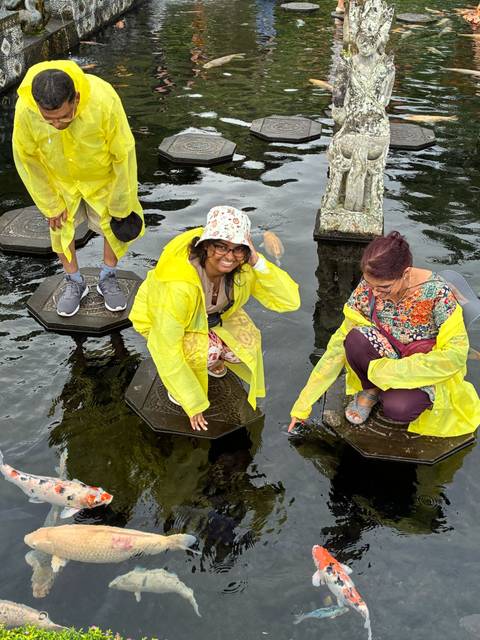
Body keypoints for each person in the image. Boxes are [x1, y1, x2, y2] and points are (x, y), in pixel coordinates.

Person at [289, 231, 480, 438]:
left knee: (397, 408)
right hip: (386, 356)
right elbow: (337, 348)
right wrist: (303, 405)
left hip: (423, 368)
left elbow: (455, 356)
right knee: (352, 339)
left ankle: (389, 389)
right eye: (370, 285)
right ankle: (371, 389)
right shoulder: (369, 287)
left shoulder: (438, 295)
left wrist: (391, 371)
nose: (376, 293)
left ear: (406, 274)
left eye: (384, 287)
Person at [130, 206, 300, 432]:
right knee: (205, 352)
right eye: (221, 246)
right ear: (206, 245)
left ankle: (215, 359)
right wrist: (192, 401)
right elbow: (165, 346)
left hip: (211, 317)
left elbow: (290, 301)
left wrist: (257, 260)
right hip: (165, 323)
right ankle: (178, 387)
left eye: (238, 249)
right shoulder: (178, 287)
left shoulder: (242, 269)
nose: (229, 257)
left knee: (244, 348)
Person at [12, 60, 144, 317]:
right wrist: (49, 202)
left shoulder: (103, 98)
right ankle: (74, 281)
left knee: (113, 224)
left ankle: (108, 276)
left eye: (64, 117)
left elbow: (124, 152)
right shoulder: (25, 109)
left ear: (76, 99)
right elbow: (25, 157)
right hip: (58, 177)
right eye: (49, 121)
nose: (58, 125)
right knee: (60, 227)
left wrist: (121, 202)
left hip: (101, 174)